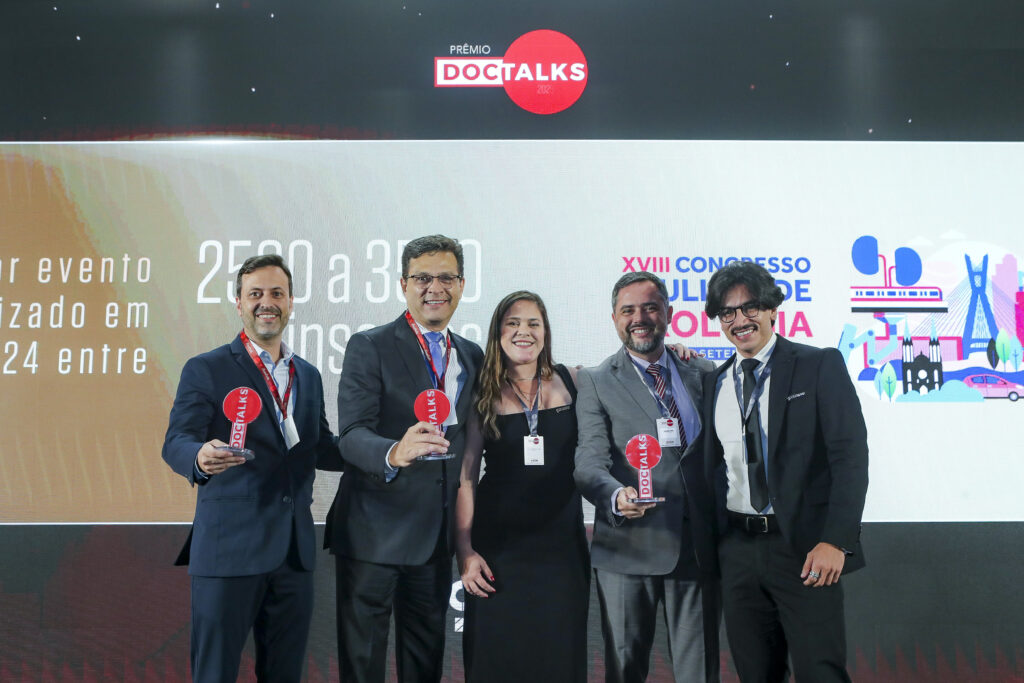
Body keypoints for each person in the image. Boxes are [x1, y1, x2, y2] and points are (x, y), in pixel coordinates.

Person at [162, 254, 339, 683]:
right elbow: (176, 441)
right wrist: (199, 457)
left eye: (277, 293)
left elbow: (321, 448)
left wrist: (388, 450)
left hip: (293, 554)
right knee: (215, 674)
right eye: (255, 293)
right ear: (239, 302)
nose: (267, 302)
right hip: (228, 550)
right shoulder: (207, 368)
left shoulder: (308, 375)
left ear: (291, 302)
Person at [323, 234, 484, 683]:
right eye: (422, 278)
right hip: (372, 534)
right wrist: (395, 452)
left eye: (446, 277)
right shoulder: (369, 345)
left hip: (434, 540)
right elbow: (351, 436)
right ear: (403, 285)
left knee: (424, 665)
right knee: (363, 667)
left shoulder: (471, 355)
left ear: (462, 285)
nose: (435, 288)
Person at [702, 260, 869, 682]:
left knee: (820, 672)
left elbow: (850, 459)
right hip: (737, 550)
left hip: (805, 548)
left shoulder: (818, 365)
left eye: (751, 307)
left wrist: (837, 540)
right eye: (728, 312)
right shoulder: (713, 383)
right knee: (756, 674)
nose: (740, 320)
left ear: (773, 309)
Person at [574, 271, 720, 683]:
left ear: (668, 313)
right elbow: (588, 462)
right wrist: (615, 495)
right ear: (614, 319)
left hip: (695, 549)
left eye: (650, 308)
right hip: (628, 548)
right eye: (628, 311)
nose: (639, 318)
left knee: (700, 673)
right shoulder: (596, 380)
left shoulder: (703, 371)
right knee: (625, 671)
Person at [455, 290, 590, 683]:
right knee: (498, 660)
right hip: (499, 551)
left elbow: (627, 374)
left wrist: (672, 353)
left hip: (562, 552)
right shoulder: (482, 392)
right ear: (498, 332)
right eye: (512, 323)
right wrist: (465, 551)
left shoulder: (574, 380)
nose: (523, 332)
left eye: (533, 323)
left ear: (545, 331)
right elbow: (466, 477)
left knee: (558, 659)